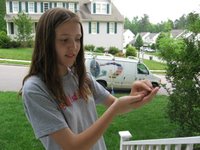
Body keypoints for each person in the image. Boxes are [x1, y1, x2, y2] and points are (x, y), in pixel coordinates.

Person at [21, 8, 159, 150]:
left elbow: (115, 105)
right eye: (64, 40)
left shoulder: (81, 76)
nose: (74, 46)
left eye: (78, 39)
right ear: (46, 42)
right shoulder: (35, 89)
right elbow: (72, 146)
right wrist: (114, 109)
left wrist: (135, 97)